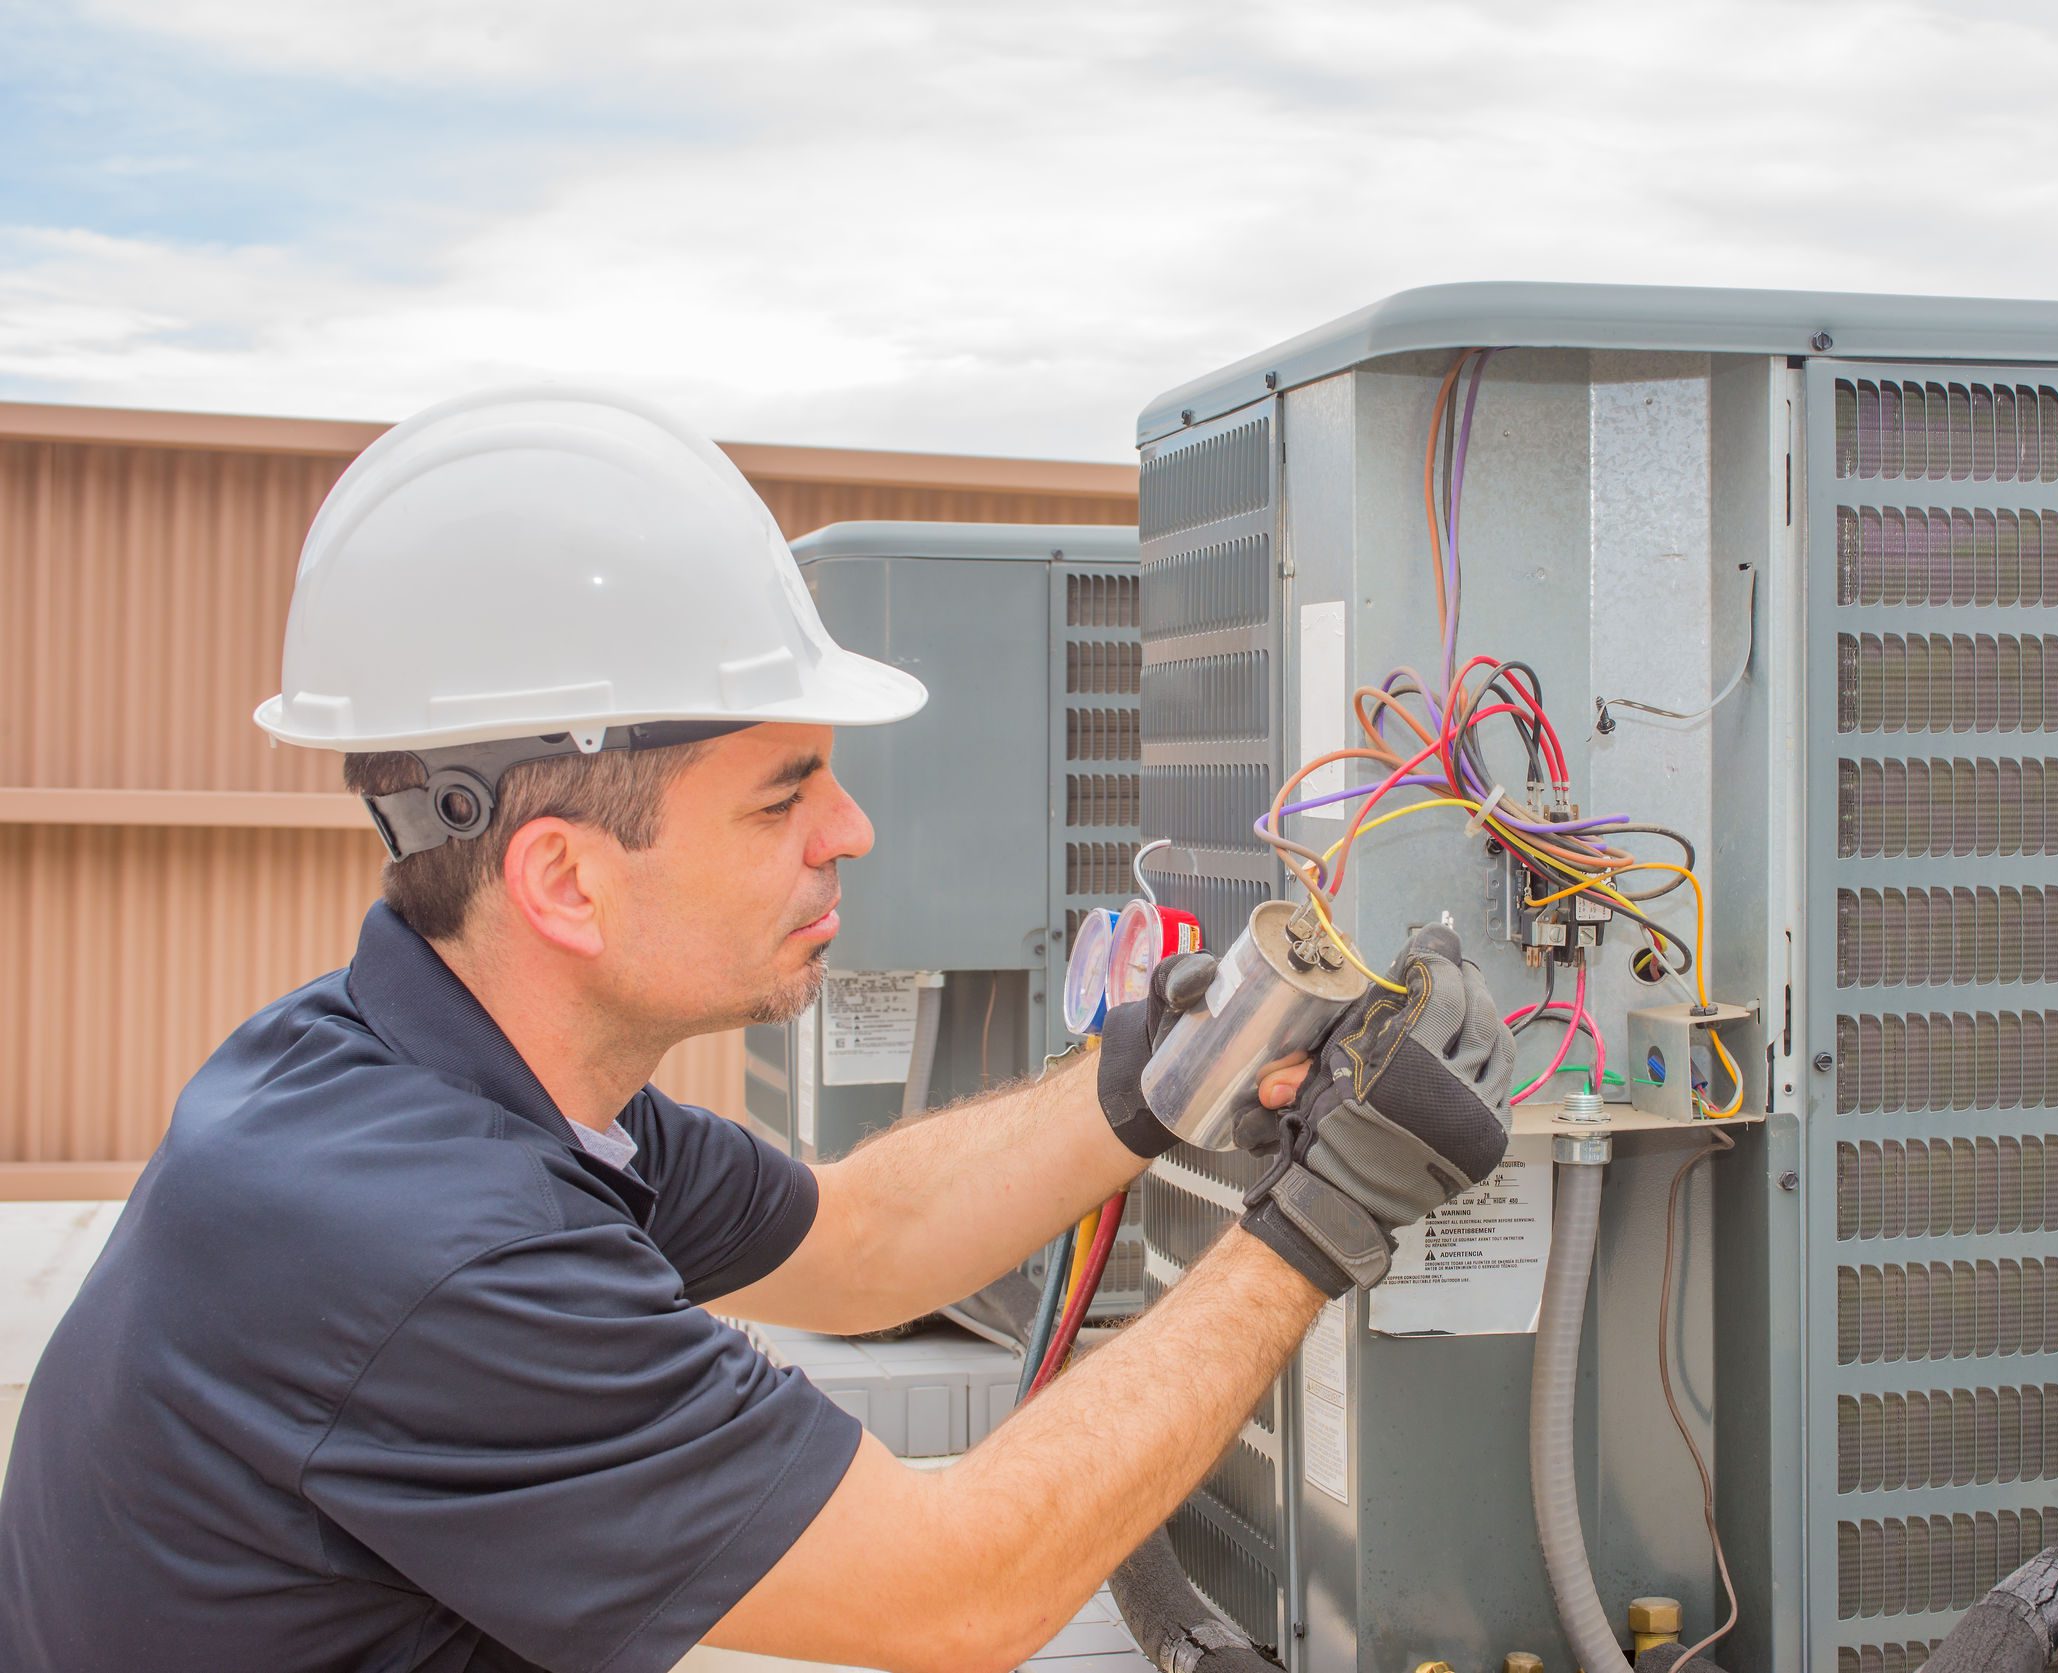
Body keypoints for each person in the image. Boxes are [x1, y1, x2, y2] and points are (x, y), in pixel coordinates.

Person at [0, 389, 1514, 1673]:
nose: (850, 830)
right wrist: (1321, 1224)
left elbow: (855, 1239)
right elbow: (955, 1585)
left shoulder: (410, 1071)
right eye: (785, 794)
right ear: (564, 879)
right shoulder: (433, 1252)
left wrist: (1146, 1078)